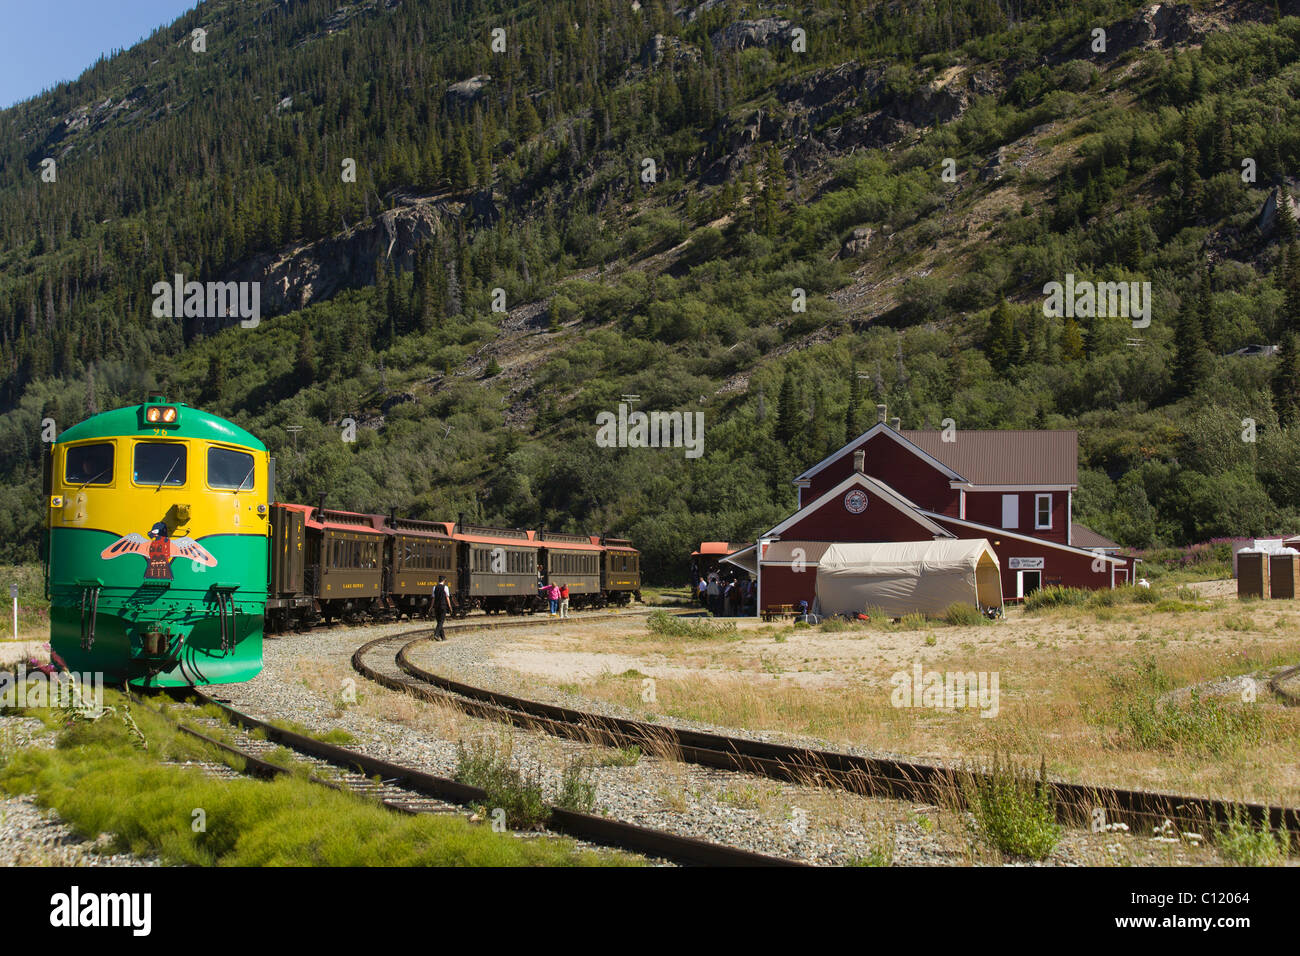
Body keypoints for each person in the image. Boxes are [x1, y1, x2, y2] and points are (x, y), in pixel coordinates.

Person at [431, 575, 454, 642]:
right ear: (444, 580)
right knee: (441, 621)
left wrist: (431, 607)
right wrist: (450, 606)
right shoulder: (445, 587)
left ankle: (443, 637)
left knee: (439, 622)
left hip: (436, 606)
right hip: (443, 606)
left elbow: (433, 598)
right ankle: (436, 634)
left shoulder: (434, 587)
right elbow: (447, 598)